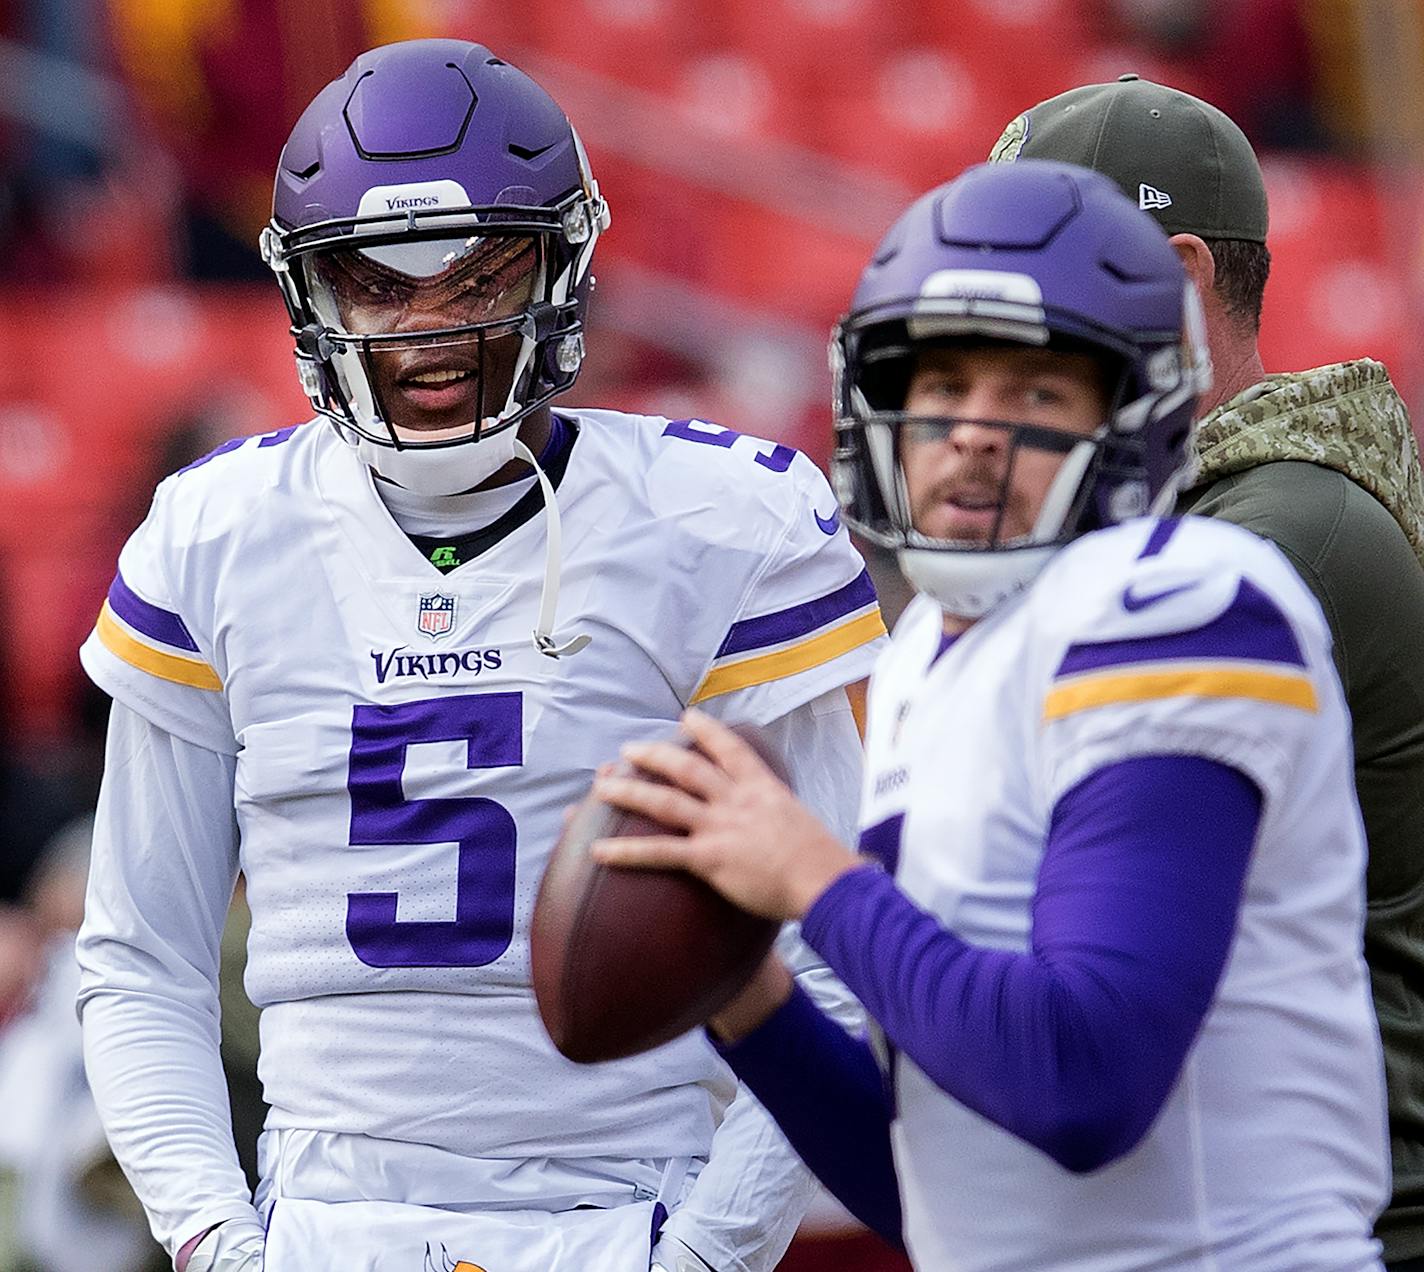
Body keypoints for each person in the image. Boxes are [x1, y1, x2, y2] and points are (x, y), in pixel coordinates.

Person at [75, 38, 886, 1272]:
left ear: (562, 267)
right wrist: (212, 1240)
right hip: (319, 1219)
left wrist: (715, 1244)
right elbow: (142, 954)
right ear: (310, 297)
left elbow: (838, 940)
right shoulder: (216, 535)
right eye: (379, 285)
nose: (429, 331)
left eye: (476, 275)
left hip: (622, 1209)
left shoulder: (717, 523)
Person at [590, 159, 1391, 1270]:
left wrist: (813, 882)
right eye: (941, 385)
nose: (971, 430)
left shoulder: (1176, 598)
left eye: (1033, 393)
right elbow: (932, 1189)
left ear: (1133, 421)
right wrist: (744, 997)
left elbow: (1083, 1088)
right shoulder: (927, 648)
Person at [988, 75, 1424, 1269]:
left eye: (1030, 270)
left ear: (1175, 278)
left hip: (1325, 1216)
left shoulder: (1262, 546)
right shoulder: (1195, 513)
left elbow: (1032, 910)